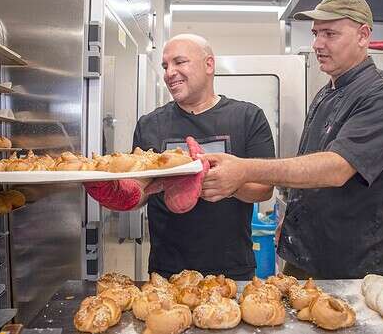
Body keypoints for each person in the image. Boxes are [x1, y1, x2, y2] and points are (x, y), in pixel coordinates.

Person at [200, 0, 383, 280]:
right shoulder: (327, 92)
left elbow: (336, 168)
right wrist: (291, 221)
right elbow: (309, 166)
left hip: (354, 264)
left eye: (329, 34)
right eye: (315, 33)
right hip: (306, 252)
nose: (317, 44)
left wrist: (244, 168)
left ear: (363, 35)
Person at [85, 34, 276, 280]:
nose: (169, 72)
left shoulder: (248, 117)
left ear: (209, 64)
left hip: (232, 269)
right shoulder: (150, 125)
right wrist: (119, 194)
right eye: (165, 66)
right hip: (167, 270)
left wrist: (222, 183)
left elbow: (264, 189)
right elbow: (142, 189)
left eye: (179, 62)